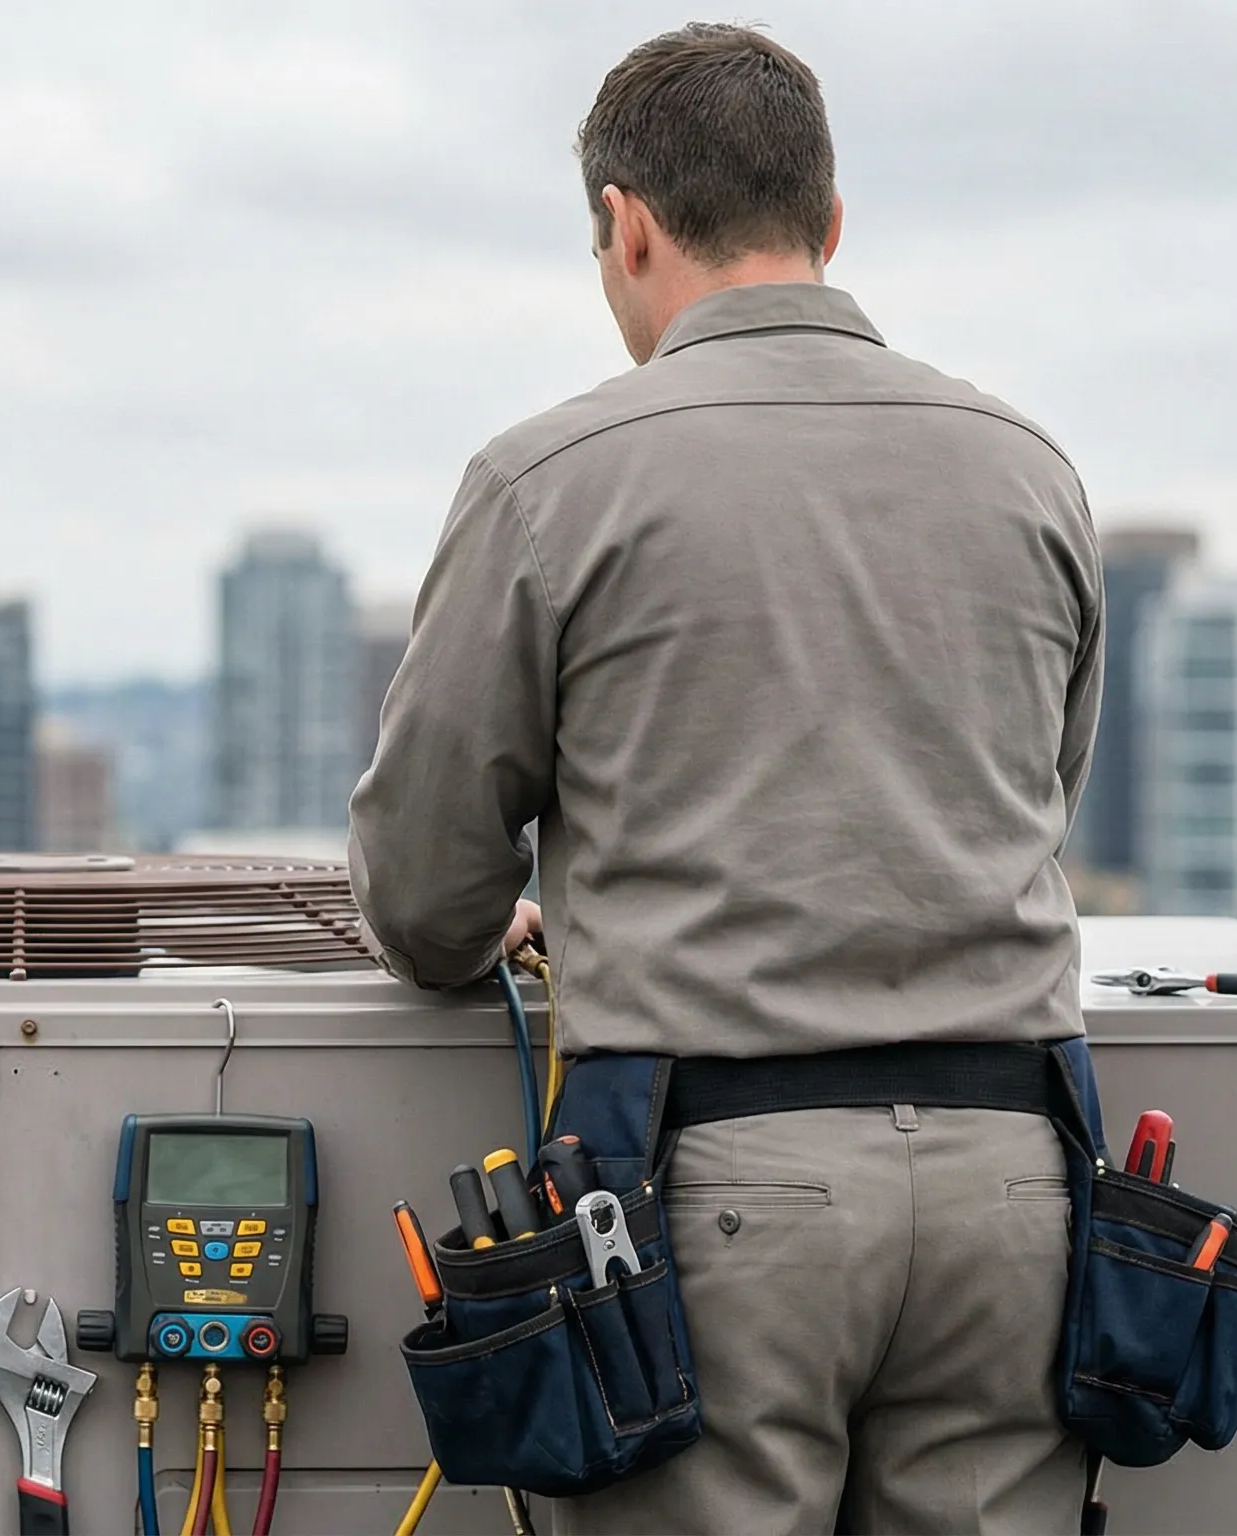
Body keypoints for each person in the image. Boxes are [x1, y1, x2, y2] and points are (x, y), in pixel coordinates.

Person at [347, 22, 1104, 1534]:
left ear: (626, 225)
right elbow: (1040, 792)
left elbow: (428, 892)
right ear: (830, 226)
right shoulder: (1027, 465)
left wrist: (500, 925)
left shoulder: (551, 480)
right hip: (1017, 1183)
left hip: (719, 1190)